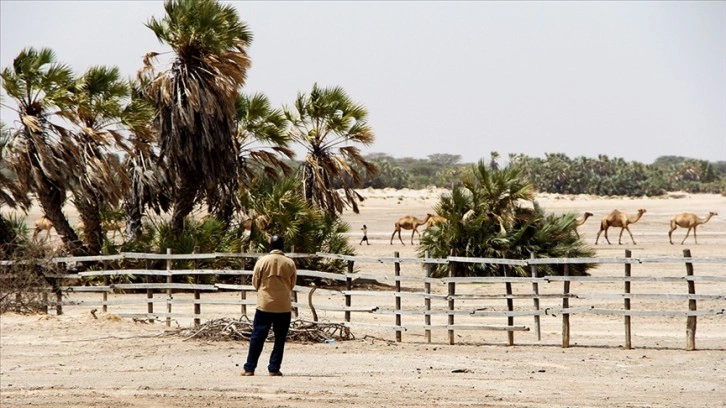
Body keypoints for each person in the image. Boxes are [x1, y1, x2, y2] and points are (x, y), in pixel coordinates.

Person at [242, 235, 297, 377]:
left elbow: (255, 282)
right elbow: (292, 284)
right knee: (280, 339)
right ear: (283, 246)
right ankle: (274, 368)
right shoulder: (289, 263)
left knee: (257, 336)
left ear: (270, 246)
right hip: (283, 306)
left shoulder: (262, 261)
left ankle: (249, 368)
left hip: (264, 305)